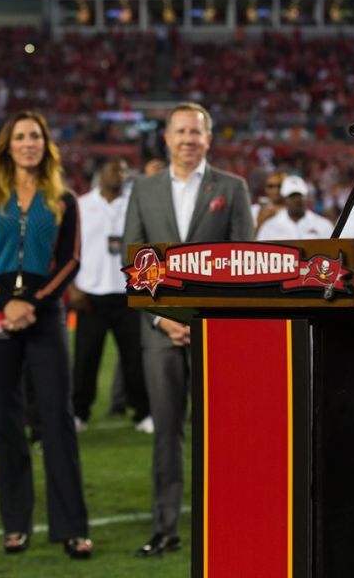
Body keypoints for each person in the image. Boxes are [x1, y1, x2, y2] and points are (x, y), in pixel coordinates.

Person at [124, 102, 254, 558]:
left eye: (196, 132)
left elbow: (247, 266)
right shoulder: (143, 189)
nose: (187, 140)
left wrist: (209, 321)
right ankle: (165, 528)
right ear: (166, 137)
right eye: (180, 131)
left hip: (217, 333)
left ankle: (229, 522)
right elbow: (133, 261)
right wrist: (162, 319)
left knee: (222, 432)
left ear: (209, 139)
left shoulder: (233, 188)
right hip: (160, 333)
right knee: (166, 433)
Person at [0, 112, 93, 559]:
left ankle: (72, 527)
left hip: (46, 312)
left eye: (35, 136)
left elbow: (71, 260)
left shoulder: (64, 199)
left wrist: (32, 303)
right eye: (20, 137)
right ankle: (15, 523)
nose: (28, 143)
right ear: (7, 145)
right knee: (6, 420)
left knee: (57, 418)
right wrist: (6, 303)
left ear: (46, 145)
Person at [70, 158, 151, 433]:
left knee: (135, 360)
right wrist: (73, 287)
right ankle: (79, 411)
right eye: (114, 168)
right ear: (99, 173)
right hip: (90, 295)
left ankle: (142, 413)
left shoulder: (135, 204)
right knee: (86, 358)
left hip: (128, 293)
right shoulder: (81, 206)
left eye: (125, 169)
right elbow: (68, 251)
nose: (120, 174)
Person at [255, 174, 334, 241]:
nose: (296, 200)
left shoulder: (323, 225)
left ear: (305, 197)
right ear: (285, 199)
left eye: (299, 196)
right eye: (292, 196)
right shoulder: (270, 226)